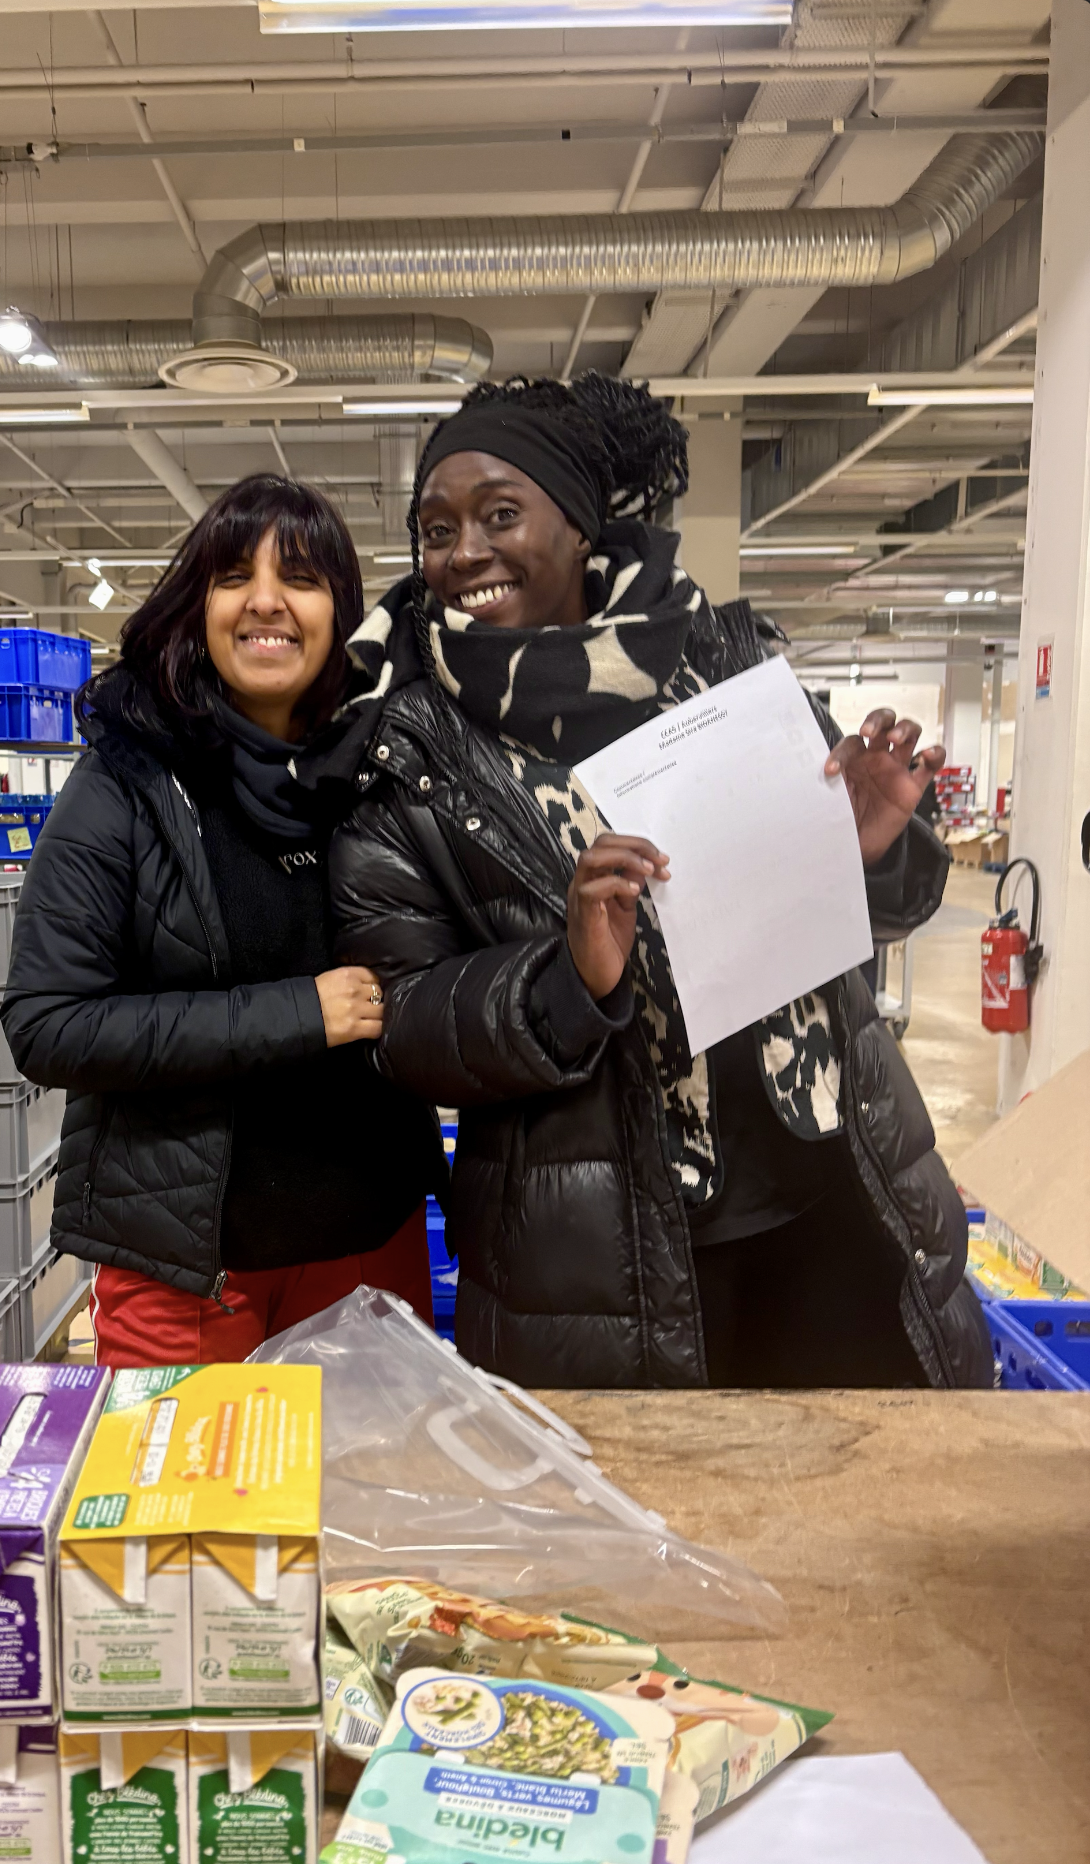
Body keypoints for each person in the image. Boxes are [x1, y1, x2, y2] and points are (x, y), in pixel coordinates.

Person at [323, 374, 992, 1390]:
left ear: (580, 524)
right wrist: (565, 979)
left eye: (501, 514)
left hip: (838, 1198)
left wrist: (868, 849)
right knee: (656, 1537)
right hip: (604, 1257)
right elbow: (404, 1023)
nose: (463, 552)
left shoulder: (725, 665)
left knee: (867, 1515)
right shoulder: (409, 747)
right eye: (435, 528)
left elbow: (876, 914)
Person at [2, 475, 445, 1366]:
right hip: (188, 1273)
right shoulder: (126, 782)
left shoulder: (387, 772)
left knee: (371, 1502)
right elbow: (47, 1024)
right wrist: (298, 1013)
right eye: (236, 574)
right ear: (198, 603)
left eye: (303, 577)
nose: (267, 601)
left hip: (369, 1247)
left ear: (341, 613)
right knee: (191, 1509)